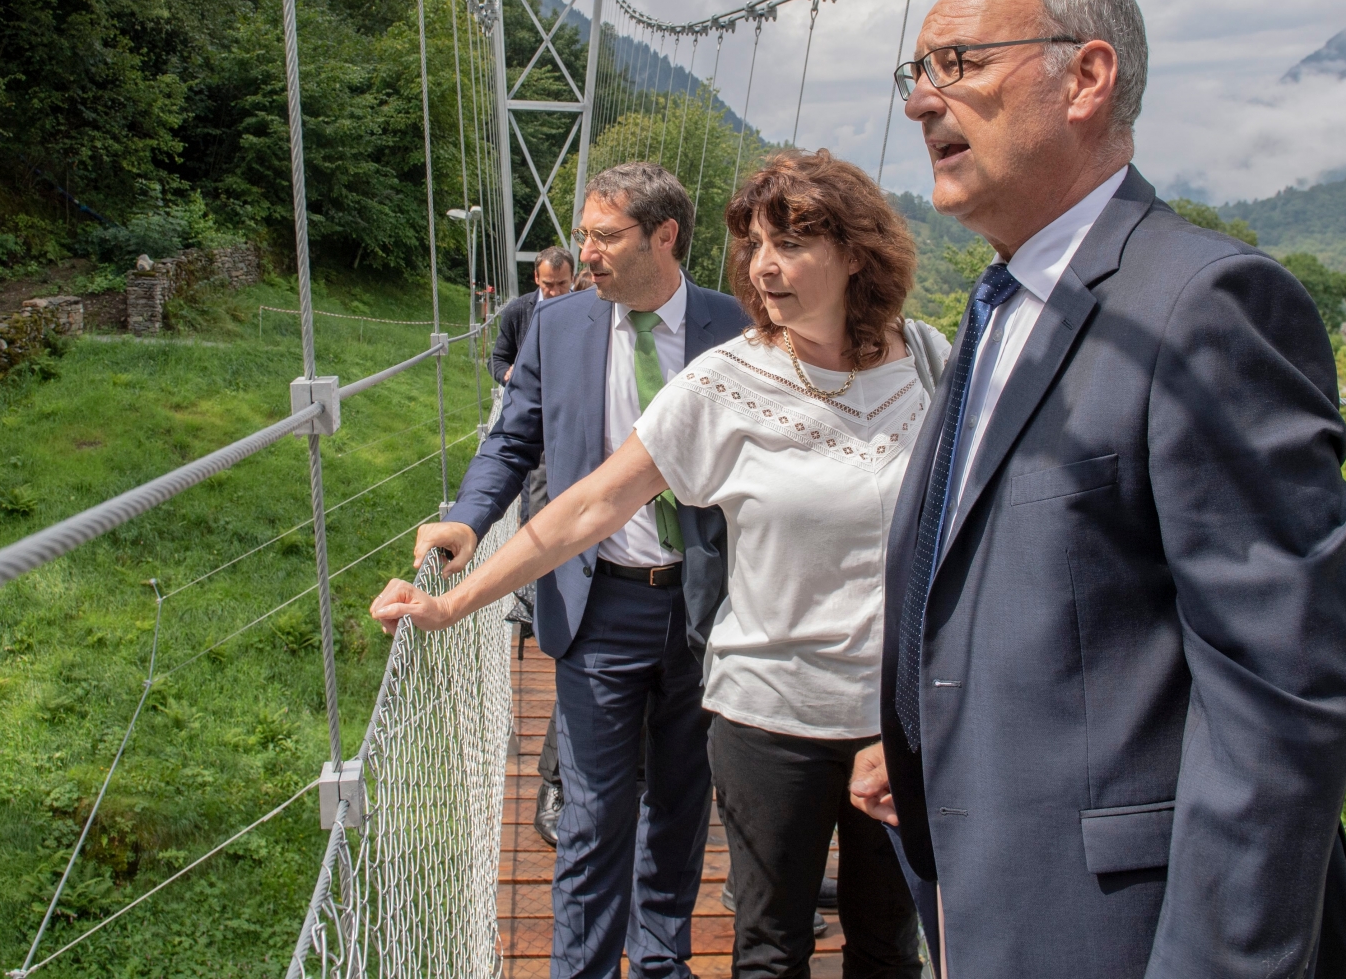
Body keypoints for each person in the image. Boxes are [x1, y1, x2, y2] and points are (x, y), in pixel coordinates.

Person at [847, 0, 1346, 978]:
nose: (921, 102)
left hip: (1128, 938)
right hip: (987, 892)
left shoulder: (1206, 305)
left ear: (1084, 78)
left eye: (957, 63)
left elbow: (1281, 699)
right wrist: (930, 747)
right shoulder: (1003, 302)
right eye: (915, 72)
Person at [375, 149, 941, 979]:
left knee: (884, 939)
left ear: (857, 250)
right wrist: (452, 596)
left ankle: (661, 956)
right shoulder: (724, 377)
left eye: (790, 242)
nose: (765, 265)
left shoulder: (929, 361)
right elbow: (586, 502)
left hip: (859, 695)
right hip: (739, 684)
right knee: (744, 925)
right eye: (753, 243)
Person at [406, 162, 749, 979]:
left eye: (604, 236)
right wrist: (467, 516)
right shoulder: (555, 328)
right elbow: (511, 440)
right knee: (595, 813)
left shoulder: (735, 326)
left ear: (663, 236)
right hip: (597, 603)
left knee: (678, 802)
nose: (584, 253)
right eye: (584, 234)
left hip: (708, 608)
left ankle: (660, 956)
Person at [488, 245, 579, 844]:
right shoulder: (523, 314)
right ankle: (559, 782)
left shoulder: (599, 317)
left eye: (562, 285)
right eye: (544, 286)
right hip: (545, 445)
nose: (551, 294)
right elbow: (500, 365)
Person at [494, 246, 577, 384]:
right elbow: (498, 358)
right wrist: (507, 375)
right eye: (548, 284)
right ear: (536, 277)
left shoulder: (588, 312)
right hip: (531, 399)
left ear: (572, 277)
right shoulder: (516, 311)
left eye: (562, 283)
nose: (555, 292)